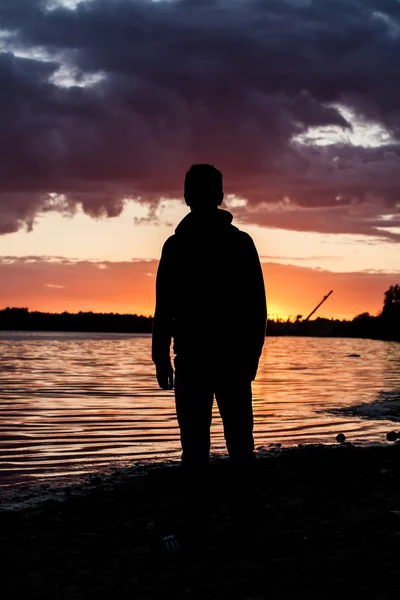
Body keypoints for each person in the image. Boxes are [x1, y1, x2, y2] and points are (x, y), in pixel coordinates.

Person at [152, 164, 267, 554]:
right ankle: (244, 531)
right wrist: (250, 359)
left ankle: (198, 534)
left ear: (188, 196)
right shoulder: (237, 243)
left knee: (197, 449)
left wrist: (159, 356)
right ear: (219, 197)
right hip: (225, 362)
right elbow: (257, 310)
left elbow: (163, 307)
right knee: (239, 447)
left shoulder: (179, 245)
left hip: (199, 362)